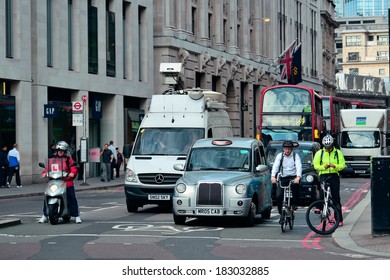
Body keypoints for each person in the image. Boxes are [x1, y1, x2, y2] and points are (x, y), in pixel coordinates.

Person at [39, 141, 82, 223]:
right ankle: (45, 215)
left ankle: (77, 216)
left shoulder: (68, 159)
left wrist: (73, 173)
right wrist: (45, 173)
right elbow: (48, 168)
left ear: (65, 151)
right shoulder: (52, 159)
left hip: (66, 182)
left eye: (62, 151)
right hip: (54, 181)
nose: (60, 152)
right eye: (59, 150)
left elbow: (74, 167)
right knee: (47, 196)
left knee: (71, 197)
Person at [313, 134, 346, 226]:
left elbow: (343, 165)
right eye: (326, 147)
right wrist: (324, 167)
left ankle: (339, 219)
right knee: (323, 192)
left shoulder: (337, 153)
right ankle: (319, 207)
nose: (328, 149)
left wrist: (335, 166)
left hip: (334, 175)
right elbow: (315, 165)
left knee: (336, 197)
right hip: (324, 174)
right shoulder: (320, 153)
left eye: (329, 147)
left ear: (332, 145)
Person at [271, 140, 302, 218]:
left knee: (295, 188)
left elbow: (299, 166)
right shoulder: (280, 156)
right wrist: (273, 177)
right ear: (283, 149)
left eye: (289, 149)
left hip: (293, 177)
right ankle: (280, 212)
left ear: (291, 149)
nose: (287, 150)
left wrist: (298, 177)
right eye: (286, 149)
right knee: (278, 195)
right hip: (283, 177)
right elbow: (275, 166)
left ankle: (294, 205)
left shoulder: (295, 156)